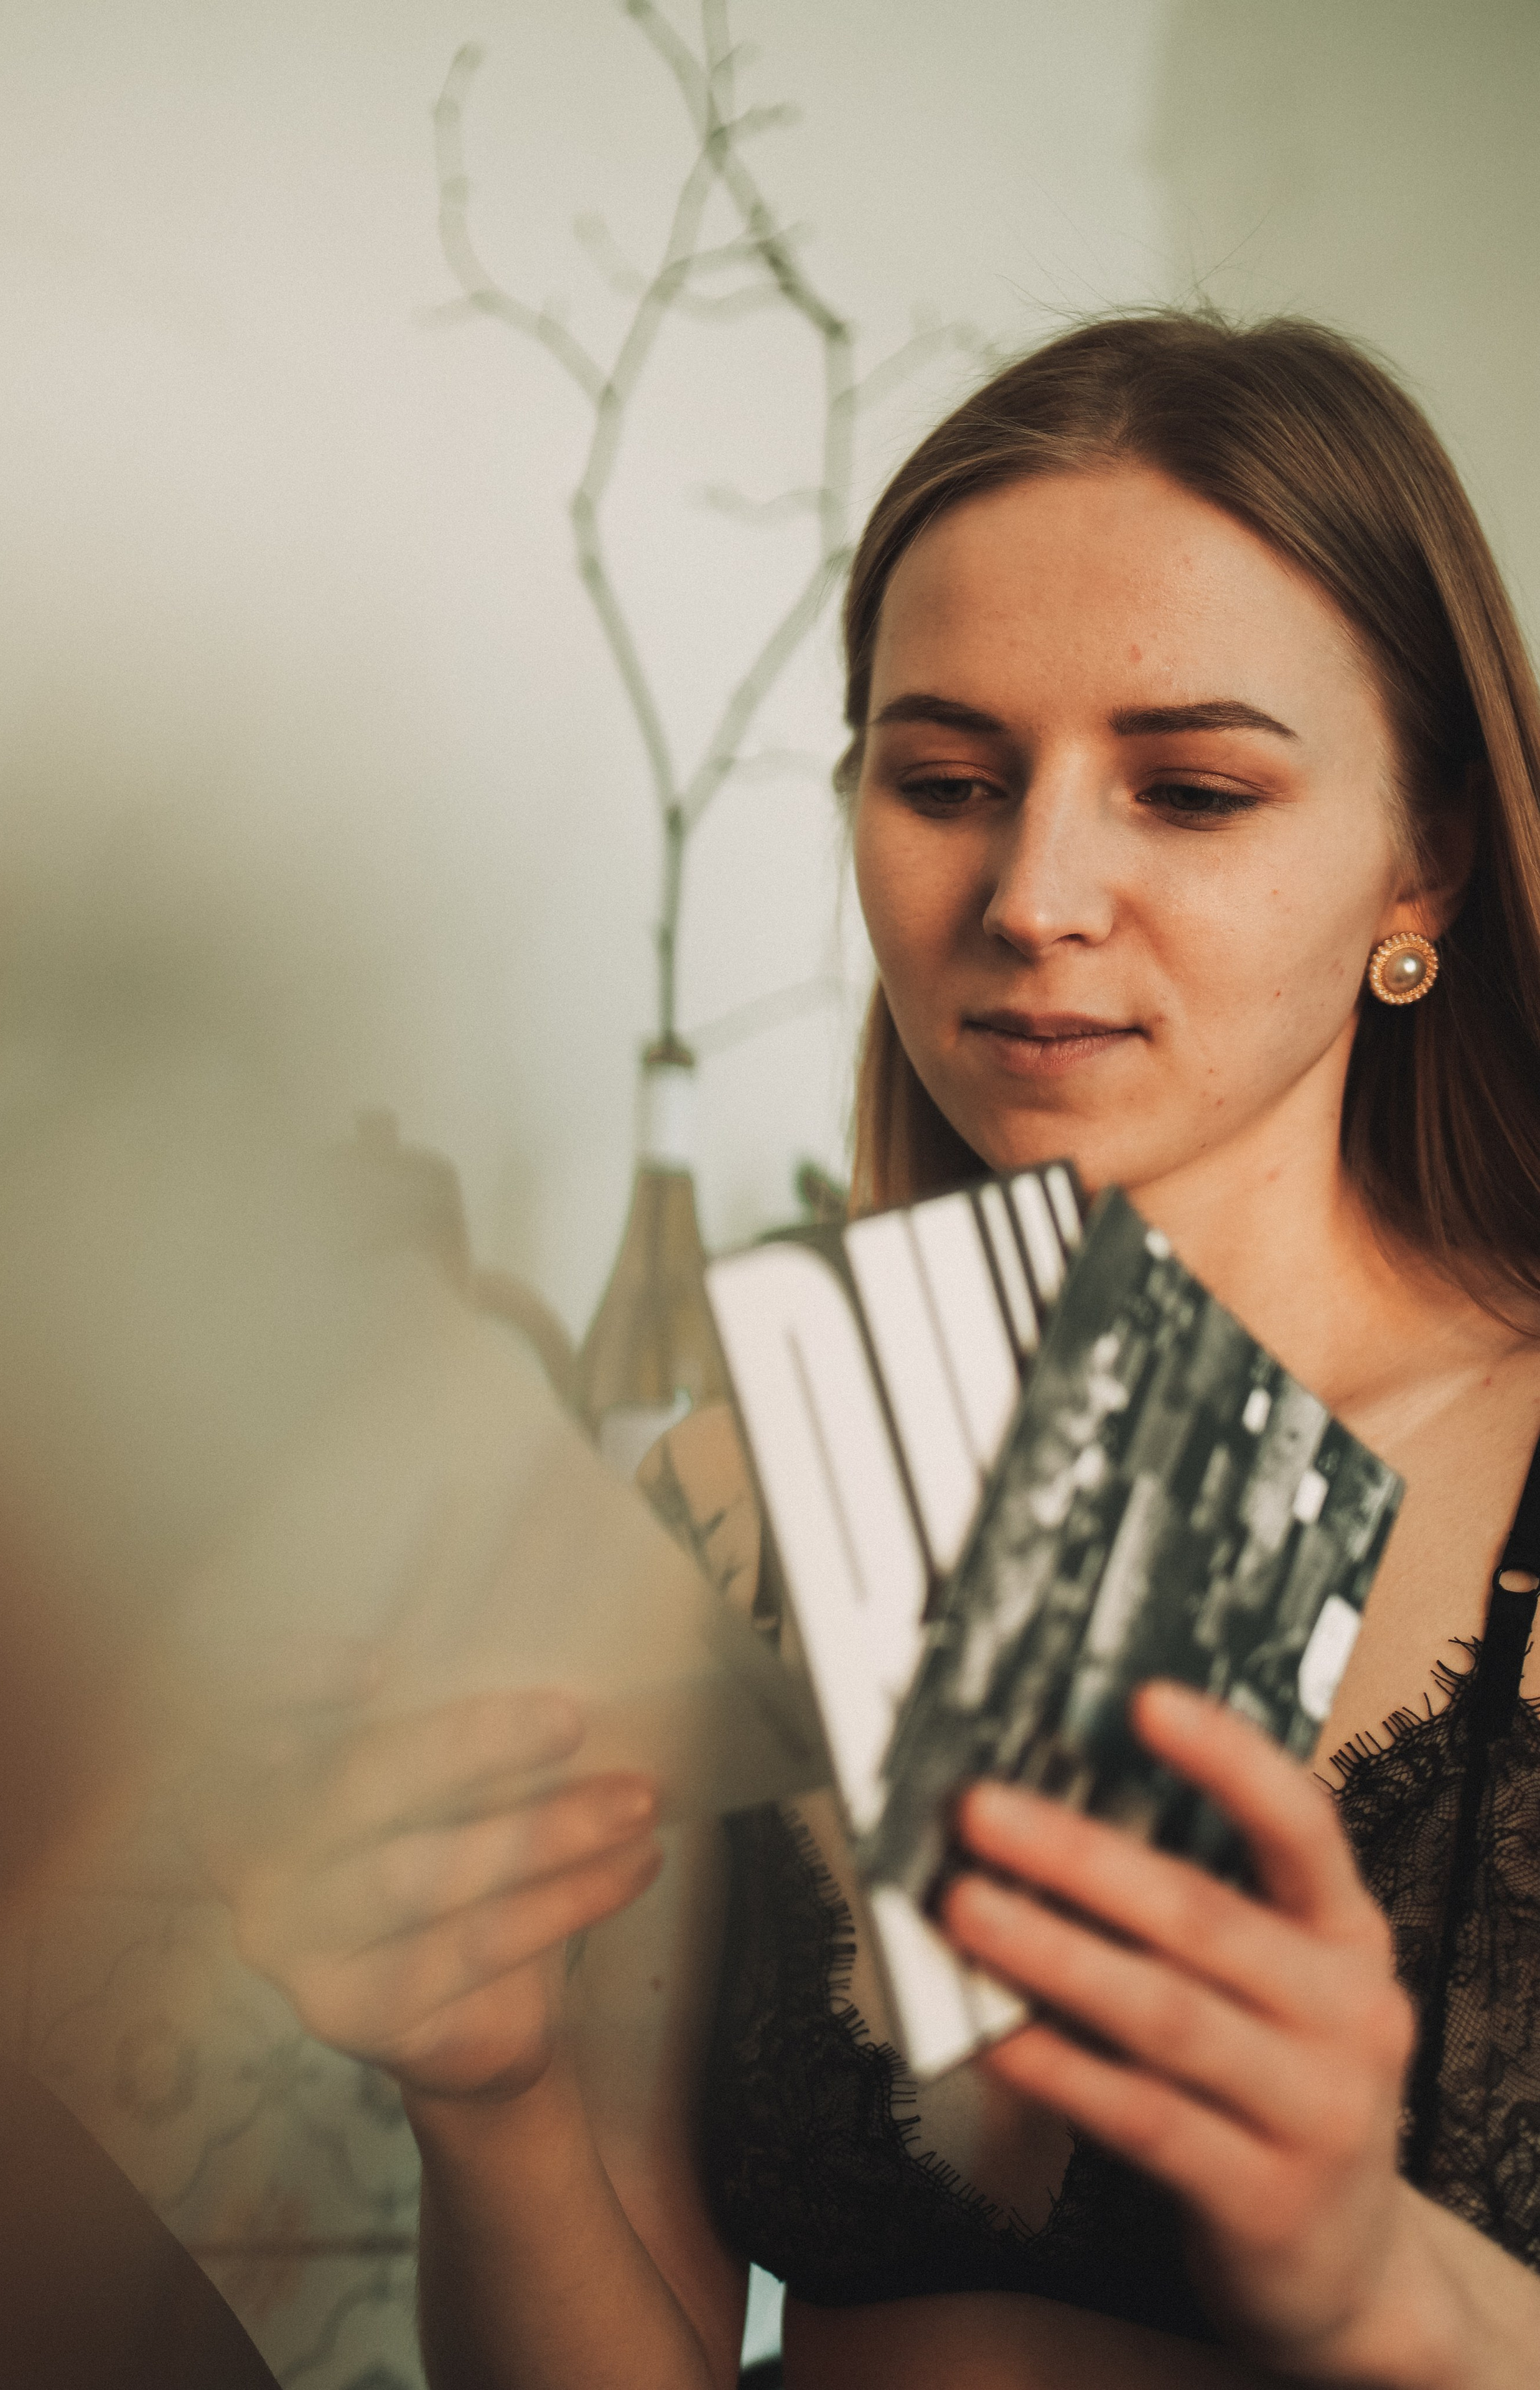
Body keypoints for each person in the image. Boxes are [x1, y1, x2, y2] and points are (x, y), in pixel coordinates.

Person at [212, 311, 1540, 2388]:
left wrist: (1381, 2282)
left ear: (1426, 856)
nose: (1032, 894)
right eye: (948, 780)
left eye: (1186, 792)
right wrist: (488, 2098)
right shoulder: (723, 1505)